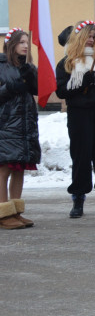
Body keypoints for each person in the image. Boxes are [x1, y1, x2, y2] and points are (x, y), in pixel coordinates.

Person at [55, 20, 95, 219]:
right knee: (81, 156)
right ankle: (78, 197)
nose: (91, 40)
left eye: (94, 36)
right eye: (88, 36)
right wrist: (81, 84)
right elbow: (61, 92)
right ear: (79, 37)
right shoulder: (67, 63)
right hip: (78, 114)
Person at [0, 29, 40, 231]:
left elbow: (38, 90)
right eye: (21, 42)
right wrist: (11, 87)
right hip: (7, 125)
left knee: (19, 169)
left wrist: (30, 76)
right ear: (11, 44)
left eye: (27, 42)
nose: (25, 45)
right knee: (4, 169)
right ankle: (3, 213)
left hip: (25, 126)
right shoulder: (1, 66)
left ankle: (15, 211)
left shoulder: (28, 67)